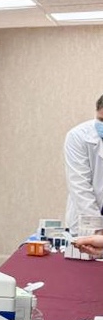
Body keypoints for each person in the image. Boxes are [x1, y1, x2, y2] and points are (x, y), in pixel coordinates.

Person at [64, 94, 103, 231]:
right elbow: (80, 186)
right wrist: (97, 229)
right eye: (101, 120)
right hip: (87, 222)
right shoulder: (78, 136)